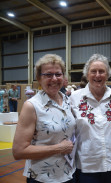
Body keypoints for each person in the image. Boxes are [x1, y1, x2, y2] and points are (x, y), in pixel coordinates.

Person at [12, 54, 76, 183]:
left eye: (58, 74)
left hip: (68, 174)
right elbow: (18, 151)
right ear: (39, 79)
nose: (54, 79)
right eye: (48, 75)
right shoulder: (32, 106)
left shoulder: (68, 101)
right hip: (42, 178)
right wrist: (58, 148)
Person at [70, 54, 111, 183]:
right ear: (87, 74)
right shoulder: (74, 98)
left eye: (102, 71)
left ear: (107, 75)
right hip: (86, 166)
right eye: (93, 71)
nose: (97, 75)